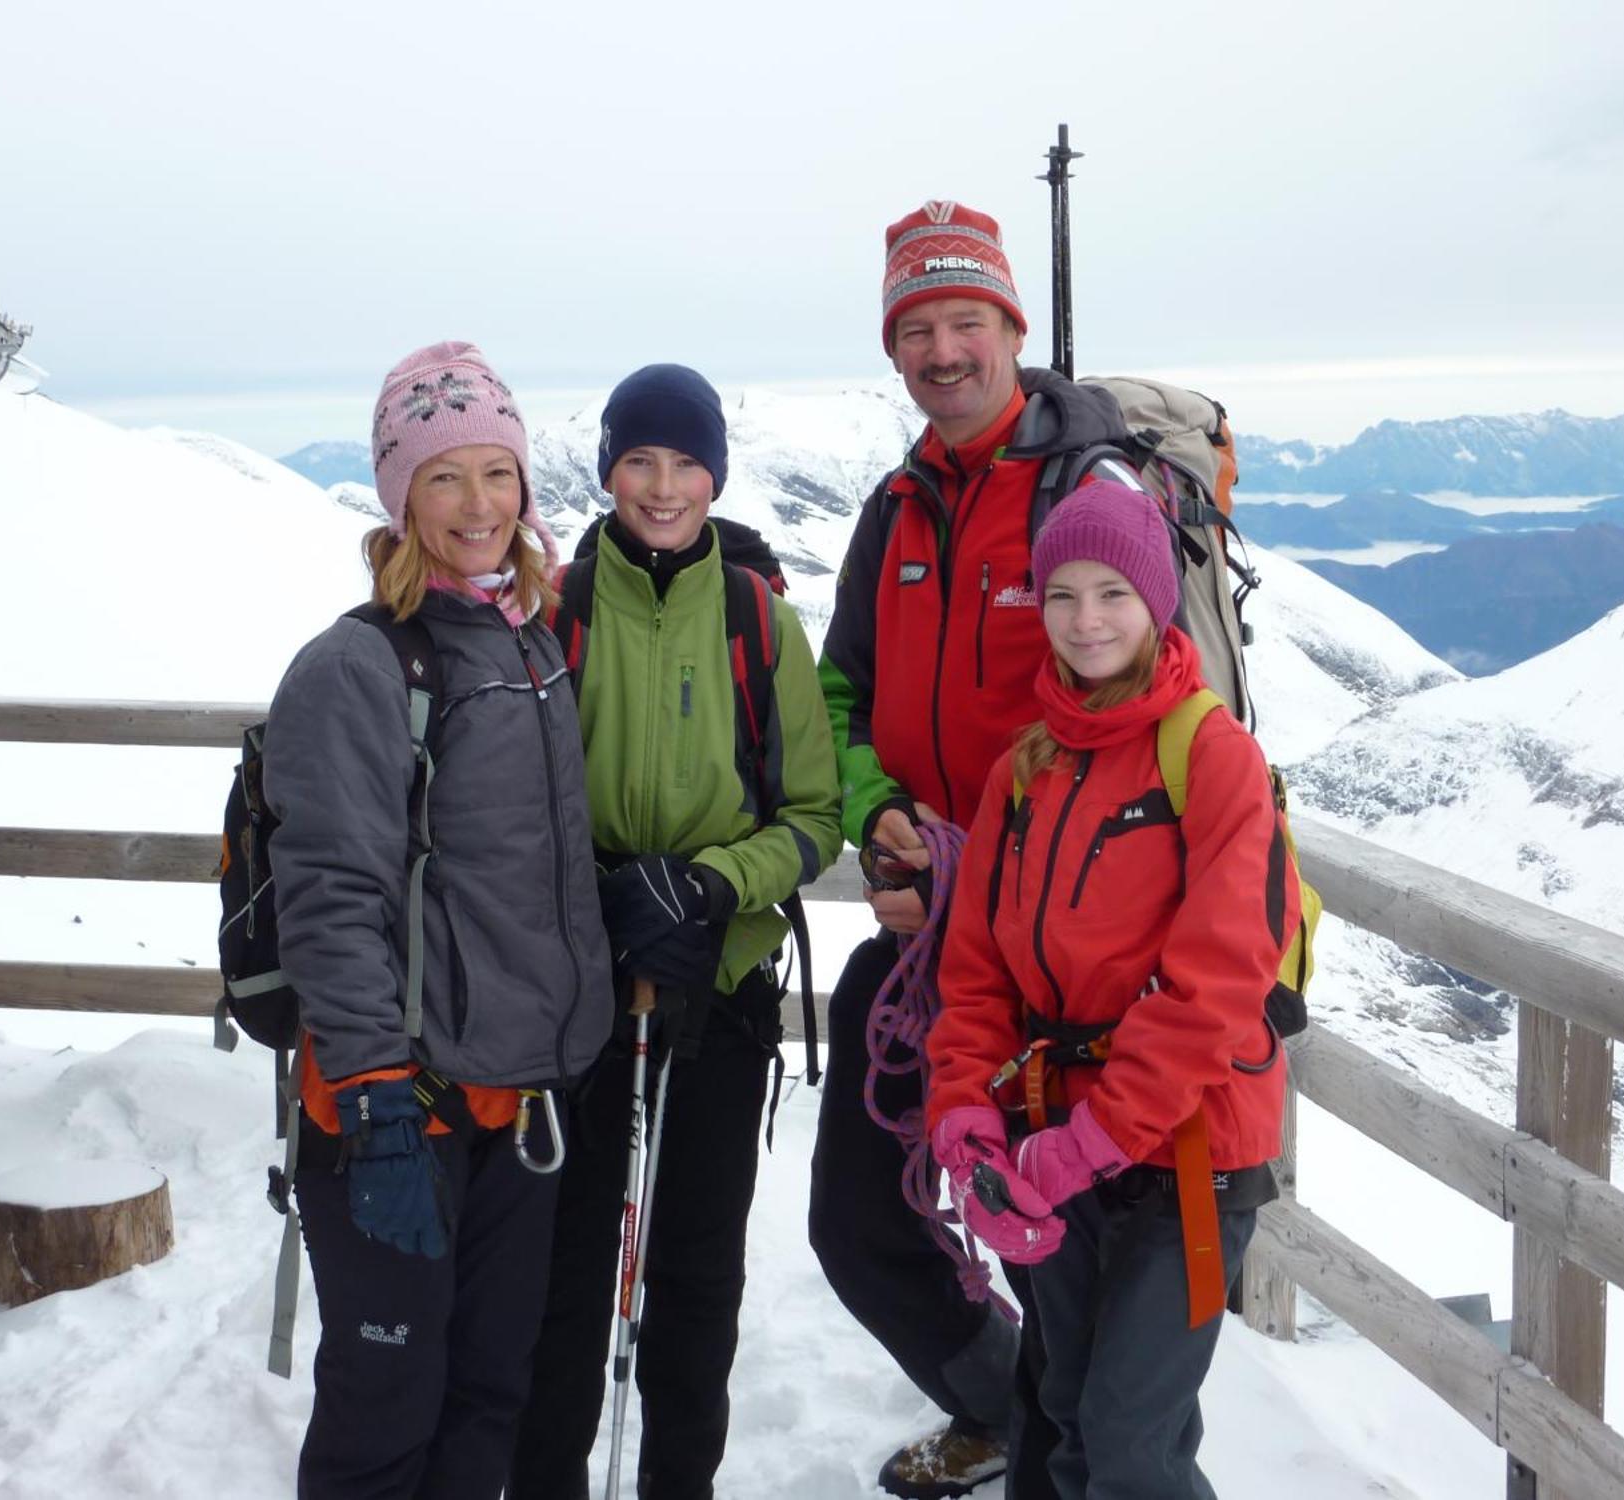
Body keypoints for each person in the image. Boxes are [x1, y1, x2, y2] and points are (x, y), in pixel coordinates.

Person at [811, 200, 1135, 1499]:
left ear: (1009, 327)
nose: (942, 351)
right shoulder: (898, 512)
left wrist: (971, 869)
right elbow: (836, 695)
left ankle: (1069, 1458)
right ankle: (1006, 1409)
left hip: (1050, 971)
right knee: (860, 1222)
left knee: (1049, 1243)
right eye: (917, 329)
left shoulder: (1080, 495)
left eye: (965, 322)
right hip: (920, 945)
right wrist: (878, 811)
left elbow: (1130, 732)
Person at [263, 339, 614, 1500]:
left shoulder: (528, 647)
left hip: (512, 1105)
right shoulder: (359, 667)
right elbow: (331, 892)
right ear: (400, 495)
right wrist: (370, 1105)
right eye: (444, 476)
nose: (478, 504)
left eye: (497, 473)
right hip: (398, 1108)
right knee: (384, 1417)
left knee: (486, 1399)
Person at [925, 479, 1299, 1500]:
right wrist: (964, 1107)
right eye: (1060, 597)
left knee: (1129, 1441)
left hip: (1185, 1148)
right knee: (1067, 1418)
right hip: (1056, 1141)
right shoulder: (1024, 769)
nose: (1085, 621)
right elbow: (975, 972)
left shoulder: (1210, 758)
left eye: (1111, 594)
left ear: (1155, 603)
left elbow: (1214, 987)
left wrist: (1087, 1146)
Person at [510, 364, 841, 1500]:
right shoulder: (552, 610)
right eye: (638, 461)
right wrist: (598, 899)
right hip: (576, 989)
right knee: (565, 1272)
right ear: (606, 470)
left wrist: (707, 888)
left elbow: (813, 818)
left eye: (683, 463)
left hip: (719, 986)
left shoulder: (759, 623)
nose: (660, 486)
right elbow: (502, 804)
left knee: (695, 1280)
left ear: (714, 475)